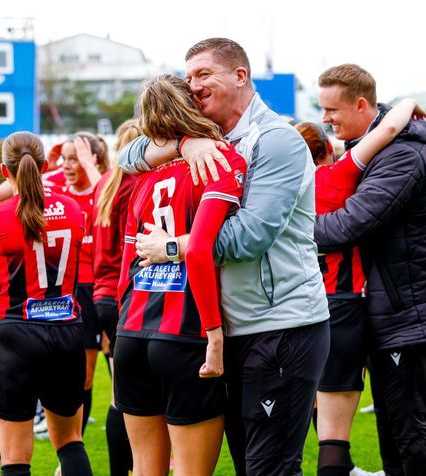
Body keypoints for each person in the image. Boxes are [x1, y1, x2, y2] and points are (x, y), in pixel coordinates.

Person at [119, 38, 329, 476]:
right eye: (188, 76)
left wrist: (172, 246)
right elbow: (128, 155)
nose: (192, 85)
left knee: (269, 467)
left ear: (240, 75)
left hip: (279, 326)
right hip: (226, 327)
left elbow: (252, 236)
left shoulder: (275, 140)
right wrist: (183, 146)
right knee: (243, 464)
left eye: (203, 74)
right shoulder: (210, 141)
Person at [313, 64, 426, 476]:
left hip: (408, 315)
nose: (326, 119)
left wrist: (285, 232)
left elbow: (348, 225)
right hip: (389, 310)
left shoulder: (402, 155)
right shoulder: (376, 146)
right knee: (391, 428)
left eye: (332, 109)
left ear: (362, 105)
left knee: (406, 429)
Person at [114, 73, 246, 476]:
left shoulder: (142, 177)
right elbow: (201, 251)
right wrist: (215, 334)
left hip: (131, 334)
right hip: (185, 336)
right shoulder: (220, 160)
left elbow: (127, 265)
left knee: (144, 469)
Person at [296, 98, 426, 476]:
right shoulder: (336, 177)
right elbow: (386, 130)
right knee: (334, 438)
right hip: (341, 306)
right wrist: (407, 103)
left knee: (310, 411)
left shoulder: (275, 192)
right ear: (325, 151)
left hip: (297, 307)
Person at [0, 131, 92, 476]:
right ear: (44, 166)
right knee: (71, 442)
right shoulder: (71, 207)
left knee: (14, 456)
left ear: (3, 169)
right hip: (67, 332)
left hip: (17, 335)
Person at [92, 118, 141, 475]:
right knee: (130, 397)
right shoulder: (138, 183)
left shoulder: (106, 184)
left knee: (121, 395)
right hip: (127, 297)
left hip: (101, 296)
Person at [56, 132, 109, 433]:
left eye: (73, 158)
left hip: (98, 291)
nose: (65, 165)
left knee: (92, 371)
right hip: (65, 291)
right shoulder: (57, 194)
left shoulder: (105, 192)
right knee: (71, 372)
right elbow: (2, 193)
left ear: (93, 161)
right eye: (63, 159)